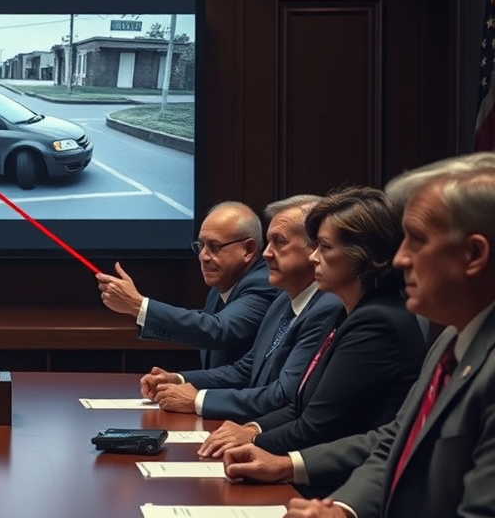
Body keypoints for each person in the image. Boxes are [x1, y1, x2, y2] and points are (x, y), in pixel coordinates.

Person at [272, 159, 495, 518]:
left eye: (416, 240)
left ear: (474, 254)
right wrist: (341, 511)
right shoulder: (452, 341)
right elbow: (394, 440)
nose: (398, 260)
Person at [198, 187, 425, 462]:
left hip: (343, 476)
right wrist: (252, 428)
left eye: (324, 247)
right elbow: (298, 406)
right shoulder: (344, 310)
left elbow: (319, 425)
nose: (314, 257)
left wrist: (254, 439)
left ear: (365, 255)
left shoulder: (376, 322)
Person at [140, 195, 342, 421]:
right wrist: (179, 380)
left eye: (279, 242)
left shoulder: (327, 308)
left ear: (316, 250)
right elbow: (245, 370)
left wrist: (197, 400)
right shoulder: (283, 301)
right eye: (269, 242)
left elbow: (284, 395)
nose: (266, 253)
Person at [96, 201, 277, 369]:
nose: (203, 257)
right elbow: (204, 321)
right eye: (201, 246)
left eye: (215, 247)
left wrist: (139, 305)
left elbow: (217, 329)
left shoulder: (263, 283)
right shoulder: (222, 284)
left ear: (248, 249)